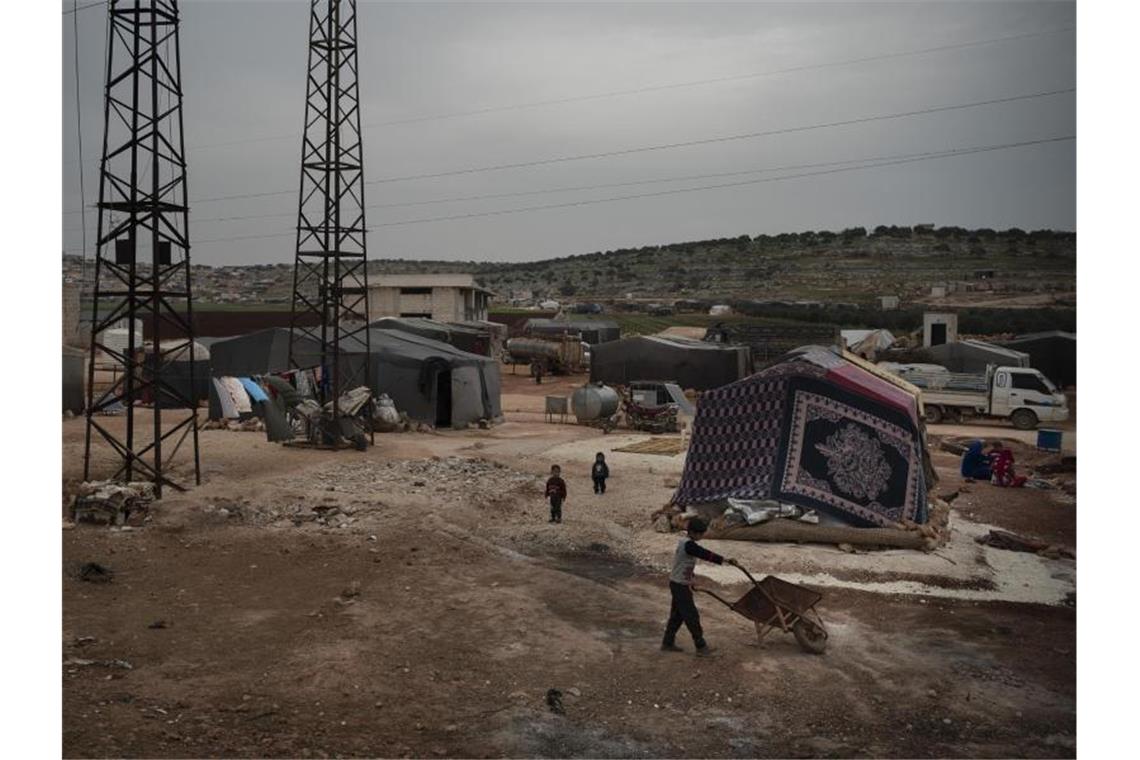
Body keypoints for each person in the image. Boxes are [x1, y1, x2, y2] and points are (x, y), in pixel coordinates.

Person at [662, 517, 739, 656]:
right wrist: (724, 560)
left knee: (677, 616)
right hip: (679, 585)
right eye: (700, 534)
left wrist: (691, 579)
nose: (702, 536)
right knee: (691, 615)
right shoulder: (689, 545)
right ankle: (701, 647)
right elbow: (704, 554)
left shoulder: (687, 543)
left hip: (678, 583)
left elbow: (685, 565)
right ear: (692, 532)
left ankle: (667, 643)